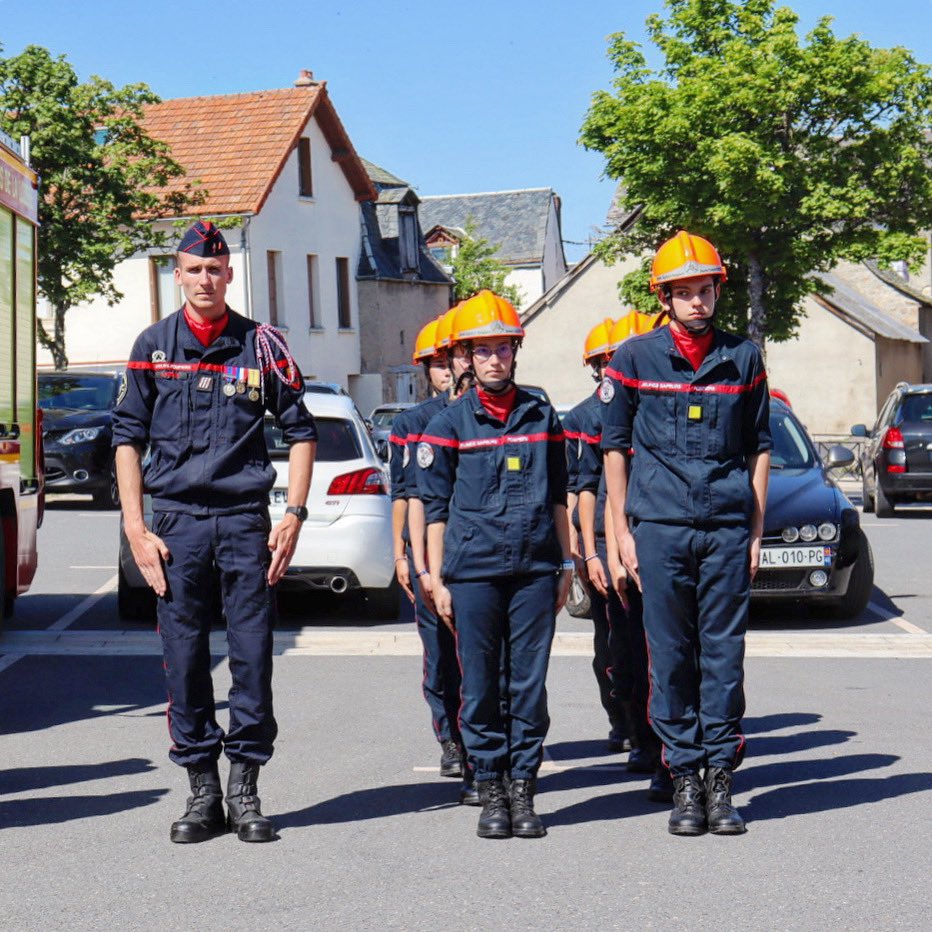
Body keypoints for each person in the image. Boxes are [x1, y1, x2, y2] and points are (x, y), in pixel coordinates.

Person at [112, 220, 317, 844]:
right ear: (177, 274)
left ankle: (246, 790)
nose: (205, 278)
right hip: (175, 529)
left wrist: (294, 516)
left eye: (216, 269)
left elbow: (302, 431)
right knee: (186, 661)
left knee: (253, 659)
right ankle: (202, 790)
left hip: (241, 524)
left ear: (230, 275)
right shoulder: (152, 345)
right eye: (194, 269)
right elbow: (126, 439)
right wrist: (136, 528)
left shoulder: (263, 346)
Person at [601, 231, 770, 836]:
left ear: (717, 290)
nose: (697, 302)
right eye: (685, 292)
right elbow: (613, 450)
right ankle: (685, 784)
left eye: (706, 290)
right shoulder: (633, 360)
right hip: (661, 529)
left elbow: (758, 449)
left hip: (726, 529)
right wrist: (621, 532)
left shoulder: (744, 358)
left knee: (723, 659)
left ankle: (721, 782)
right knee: (670, 659)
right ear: (665, 296)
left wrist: (754, 530)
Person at [418, 290, 573, 839]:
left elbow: (560, 495)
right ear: (465, 357)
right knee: (481, 685)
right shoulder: (449, 424)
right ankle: (490, 791)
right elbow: (434, 510)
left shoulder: (542, 415)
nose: (493, 360)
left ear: (515, 351)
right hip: (473, 572)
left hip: (534, 570)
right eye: (481, 350)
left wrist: (568, 564)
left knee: (527, 686)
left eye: (502, 349)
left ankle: (523, 790)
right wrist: (435, 578)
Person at [576, 311, 673, 803]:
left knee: (668, 656)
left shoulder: (663, 403)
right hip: (617, 546)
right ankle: (635, 729)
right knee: (622, 651)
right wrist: (594, 552)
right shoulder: (588, 418)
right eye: (608, 360)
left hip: (661, 537)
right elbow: (588, 488)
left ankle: (664, 749)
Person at [387, 309, 475, 803]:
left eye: (452, 359)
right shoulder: (414, 423)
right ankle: (450, 738)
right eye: (439, 363)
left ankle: (481, 742)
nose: (448, 370)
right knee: (440, 658)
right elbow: (404, 493)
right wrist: (402, 555)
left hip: (474, 550)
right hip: (426, 555)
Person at [563, 317, 630, 753]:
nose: (612, 369)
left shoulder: (647, 407)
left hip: (644, 537)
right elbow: (576, 490)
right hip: (601, 545)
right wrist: (580, 554)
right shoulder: (583, 419)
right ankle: (620, 718)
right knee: (610, 640)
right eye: (605, 362)